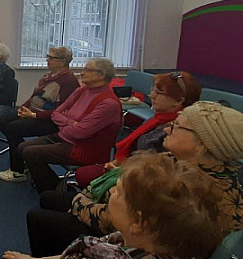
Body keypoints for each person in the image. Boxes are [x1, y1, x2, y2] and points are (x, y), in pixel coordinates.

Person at [26, 101, 243, 258]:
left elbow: (120, 222)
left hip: (139, 248)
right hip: (131, 223)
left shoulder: (190, 187)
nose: (167, 130)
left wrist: (80, 202)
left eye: (177, 127)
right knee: (50, 198)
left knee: (39, 217)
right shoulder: (199, 166)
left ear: (203, 145)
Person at [0, 152, 225, 259]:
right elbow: (106, 247)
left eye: (119, 192)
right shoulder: (171, 248)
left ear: (138, 220)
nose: (112, 192)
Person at [73, 71, 201, 187]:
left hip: (136, 179)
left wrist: (121, 169)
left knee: (84, 175)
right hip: (127, 166)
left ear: (178, 101)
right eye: (153, 90)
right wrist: (117, 163)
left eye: (159, 93)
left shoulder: (175, 131)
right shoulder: (159, 117)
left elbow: (154, 173)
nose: (151, 96)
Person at [17, 58, 122, 192]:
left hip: (84, 148)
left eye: (87, 70)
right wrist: (71, 123)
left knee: (30, 153)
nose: (82, 73)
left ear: (101, 75)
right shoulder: (82, 91)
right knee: (23, 147)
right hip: (65, 137)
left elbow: (81, 132)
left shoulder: (108, 103)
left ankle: (51, 192)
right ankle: (55, 187)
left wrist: (64, 123)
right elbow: (56, 113)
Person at [0, 46, 80, 182]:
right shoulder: (48, 77)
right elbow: (35, 97)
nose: (47, 60)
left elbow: (62, 111)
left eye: (51, 58)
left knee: (13, 128)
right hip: (34, 112)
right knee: (2, 120)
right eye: (48, 56)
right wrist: (23, 108)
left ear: (63, 61)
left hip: (50, 120)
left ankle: (18, 171)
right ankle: (23, 157)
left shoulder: (69, 81)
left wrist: (33, 115)